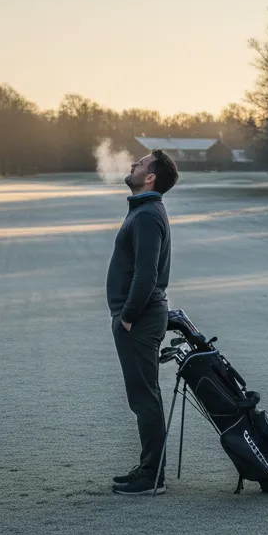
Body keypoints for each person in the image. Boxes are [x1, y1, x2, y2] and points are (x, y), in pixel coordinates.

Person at [106, 149, 178, 495]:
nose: (134, 164)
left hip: (140, 319)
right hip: (140, 318)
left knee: (144, 398)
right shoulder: (145, 210)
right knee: (144, 397)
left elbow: (146, 274)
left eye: (142, 163)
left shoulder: (148, 215)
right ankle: (150, 467)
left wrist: (128, 317)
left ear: (150, 178)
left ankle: (152, 477)